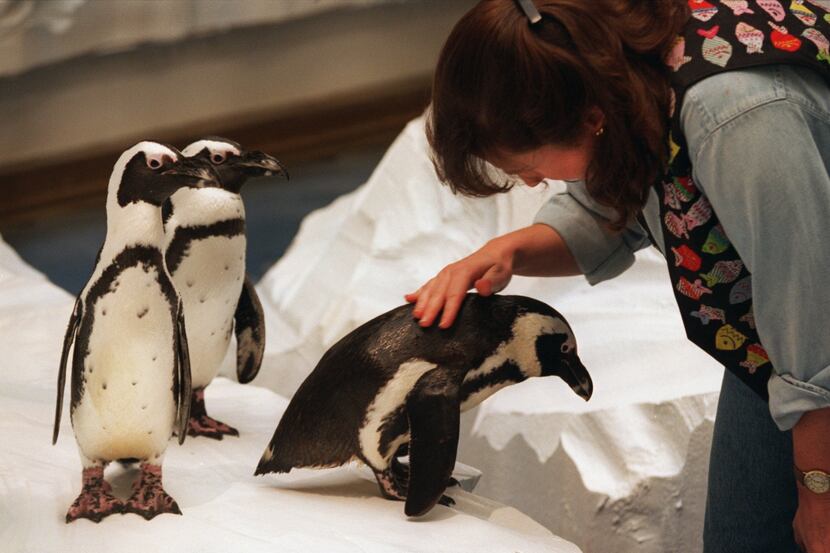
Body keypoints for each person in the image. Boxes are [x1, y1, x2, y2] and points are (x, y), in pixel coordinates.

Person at [405, 1, 830, 551]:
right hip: (778, 346)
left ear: (586, 120)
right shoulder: (628, 78)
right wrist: (504, 253)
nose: (534, 184)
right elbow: (613, 207)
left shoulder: (732, 115)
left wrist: (819, 491)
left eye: (527, 167)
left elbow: (815, 325)